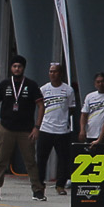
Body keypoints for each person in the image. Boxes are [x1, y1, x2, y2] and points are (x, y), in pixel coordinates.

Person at [0, 55, 44, 200]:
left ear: (23, 68)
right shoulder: (4, 84)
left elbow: (41, 106)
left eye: (19, 66)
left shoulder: (31, 85)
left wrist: (37, 127)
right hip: (7, 128)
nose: (17, 69)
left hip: (26, 130)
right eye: (15, 66)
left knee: (30, 161)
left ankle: (37, 190)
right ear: (11, 68)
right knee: (1, 160)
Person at [36, 60, 77, 195]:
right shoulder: (43, 89)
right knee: (41, 159)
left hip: (62, 130)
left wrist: (63, 119)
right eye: (51, 71)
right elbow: (39, 107)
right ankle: (39, 184)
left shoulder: (68, 90)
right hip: (46, 129)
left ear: (61, 73)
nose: (53, 74)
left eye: (55, 72)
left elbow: (71, 108)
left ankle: (60, 185)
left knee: (63, 159)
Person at [80, 71, 104, 157]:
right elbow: (84, 114)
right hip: (91, 133)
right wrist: (82, 129)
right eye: (98, 82)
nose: (100, 84)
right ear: (95, 84)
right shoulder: (90, 96)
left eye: (102, 82)